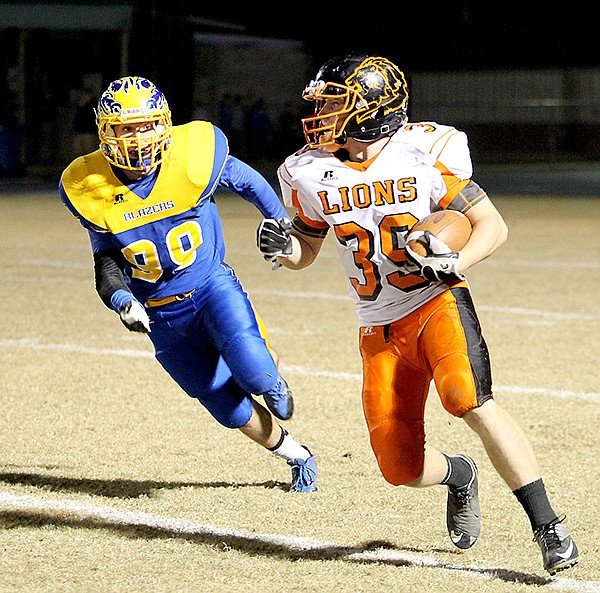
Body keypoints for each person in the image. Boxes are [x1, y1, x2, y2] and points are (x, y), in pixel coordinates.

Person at [257, 55, 578, 572]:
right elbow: (305, 252)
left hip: (435, 302)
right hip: (377, 326)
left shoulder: (425, 149)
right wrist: (280, 248)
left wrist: (456, 260)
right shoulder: (306, 172)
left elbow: (490, 225)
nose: (320, 110)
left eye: (334, 101)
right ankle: (459, 475)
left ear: (370, 107)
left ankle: (549, 527)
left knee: (469, 400)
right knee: (398, 467)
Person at [59, 76, 317, 493]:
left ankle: (272, 381)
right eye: (126, 128)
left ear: (163, 124)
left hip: (211, 288)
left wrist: (279, 221)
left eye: (144, 125)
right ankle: (297, 455)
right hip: (162, 315)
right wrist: (122, 299)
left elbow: (247, 181)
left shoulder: (191, 157)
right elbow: (105, 262)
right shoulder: (92, 187)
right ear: (106, 132)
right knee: (226, 407)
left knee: (253, 371)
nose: (137, 137)